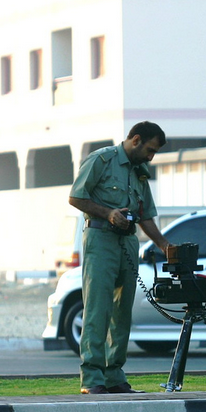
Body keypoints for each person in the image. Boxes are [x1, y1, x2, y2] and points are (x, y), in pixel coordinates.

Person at [68, 121, 171, 394]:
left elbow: (145, 213)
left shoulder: (140, 172)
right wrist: (108, 213)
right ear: (135, 140)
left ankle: (114, 376)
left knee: (121, 313)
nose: (151, 157)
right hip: (100, 239)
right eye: (149, 150)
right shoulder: (101, 160)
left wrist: (163, 245)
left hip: (128, 242)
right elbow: (76, 197)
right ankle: (92, 379)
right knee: (97, 310)